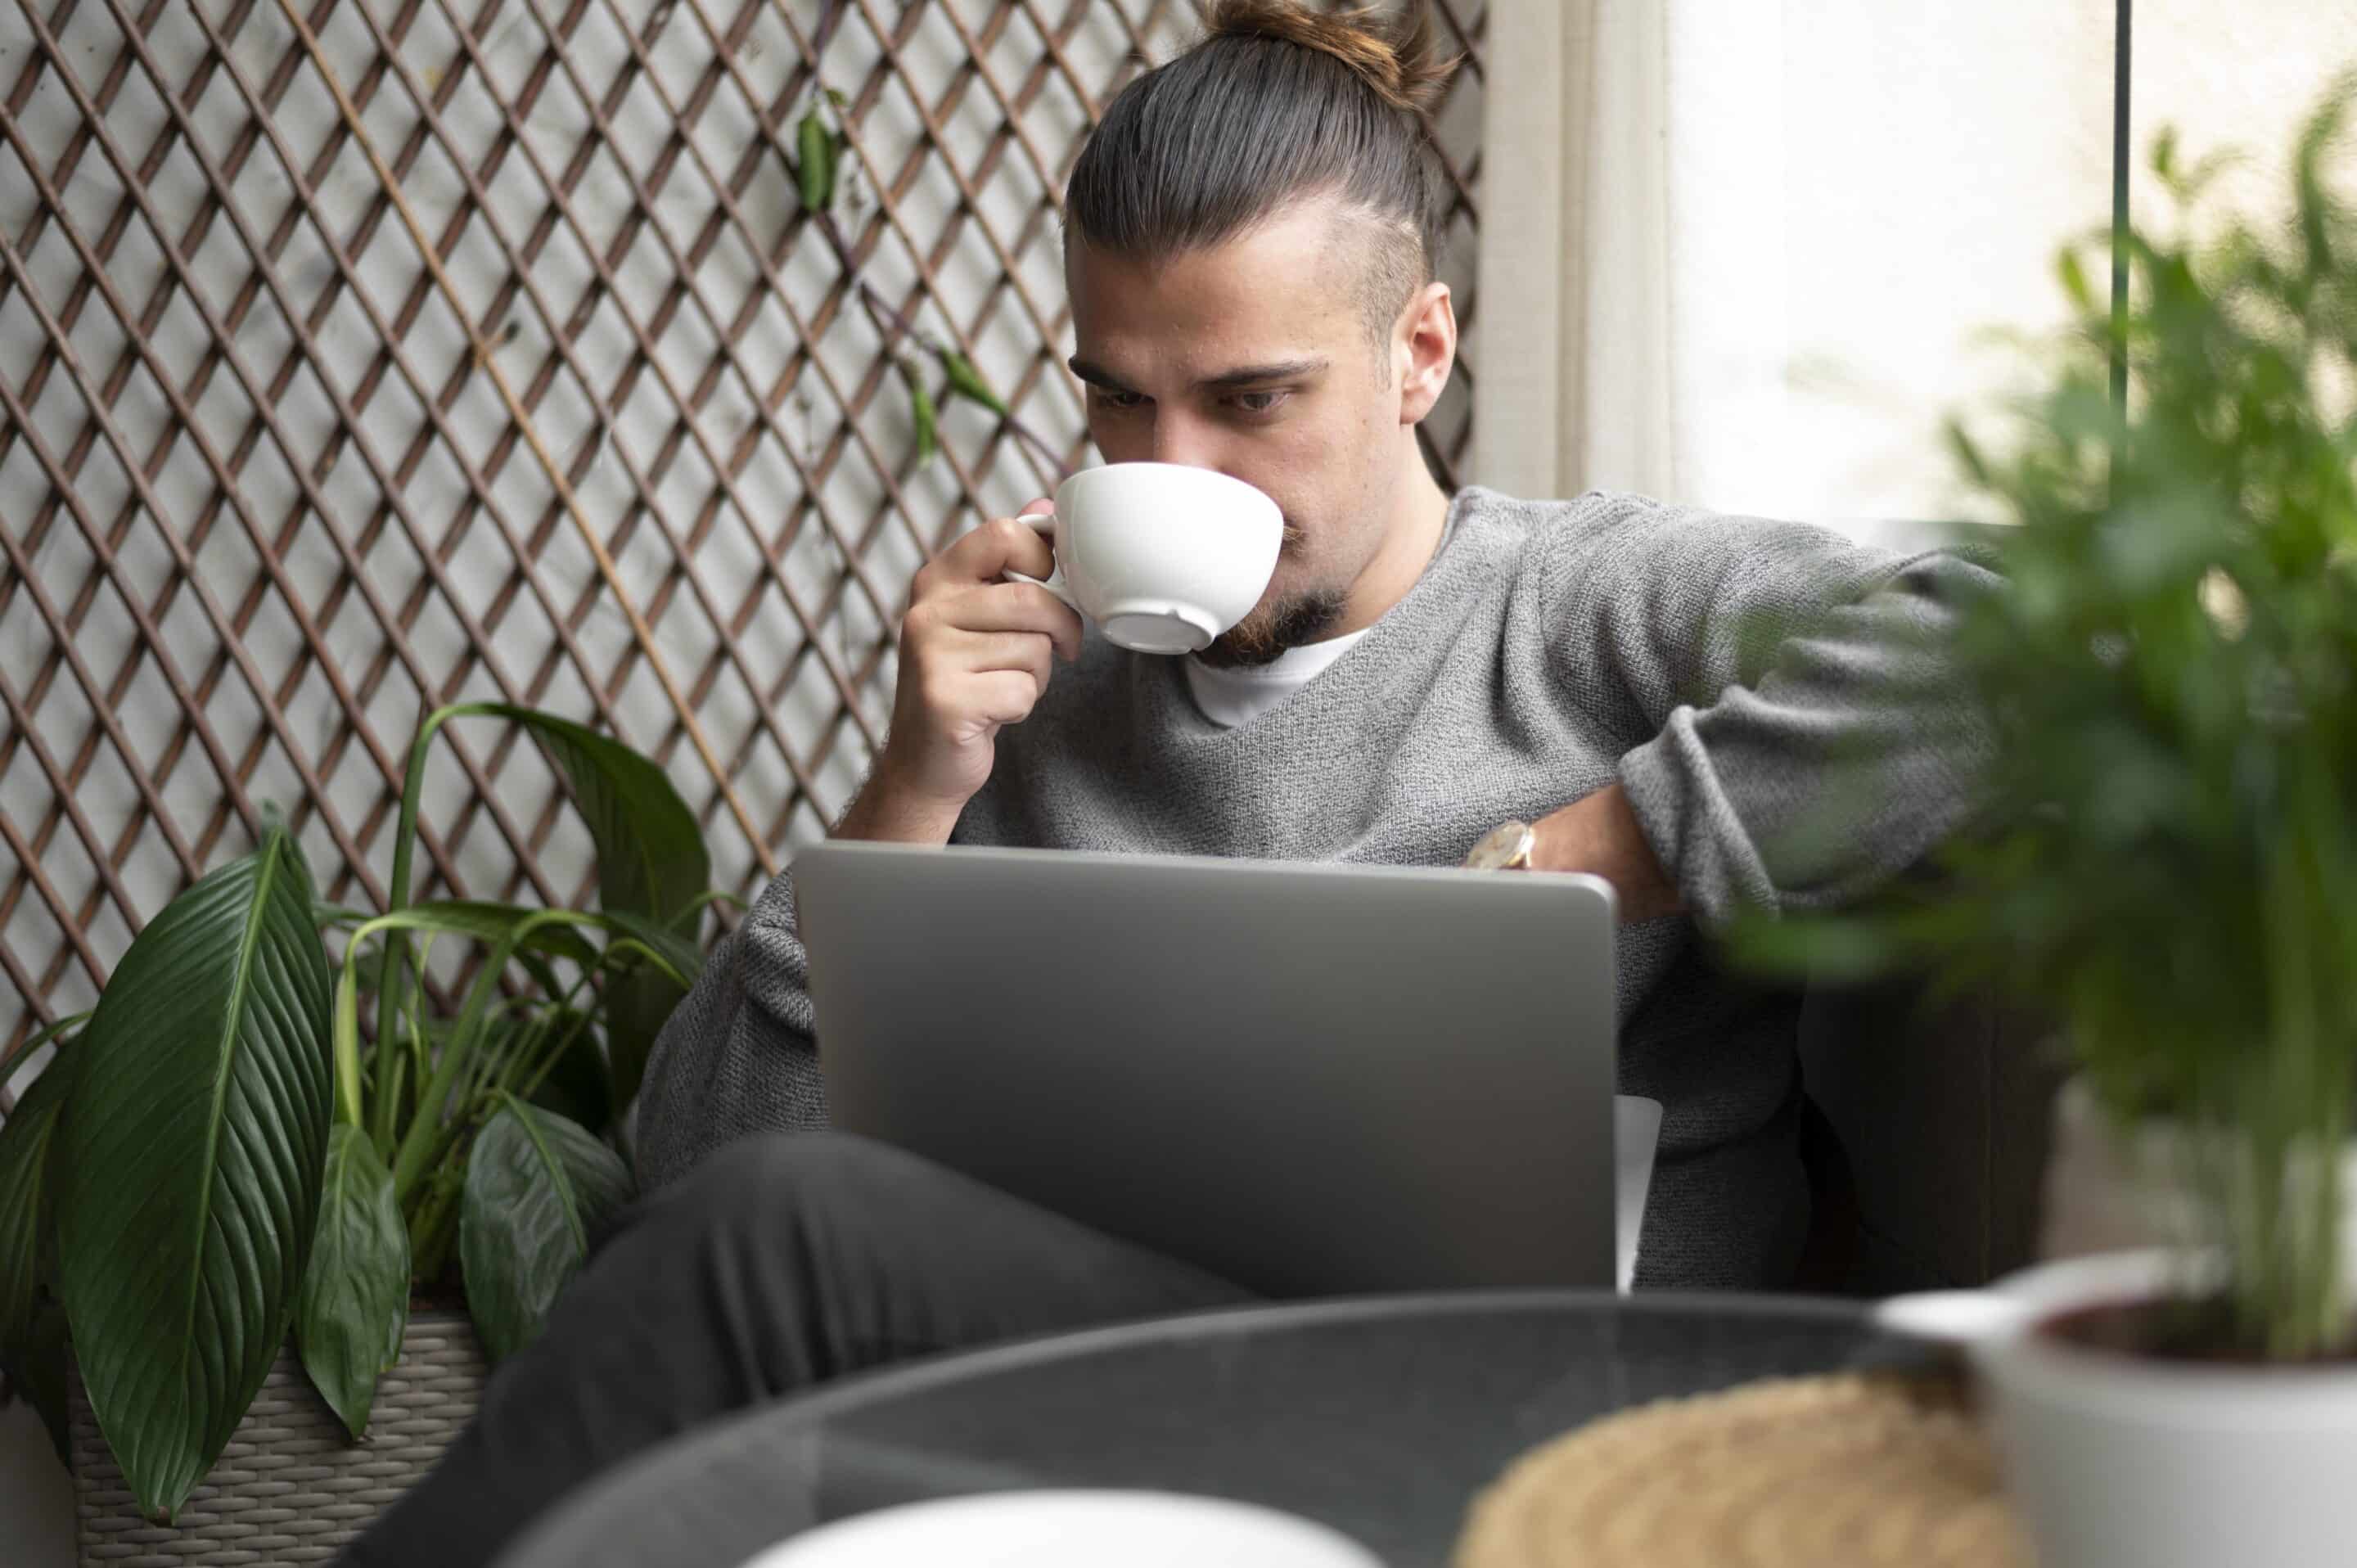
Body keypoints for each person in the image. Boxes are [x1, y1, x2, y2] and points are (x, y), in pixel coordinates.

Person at [344, 2, 1994, 1562]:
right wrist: (909, 796)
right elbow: (694, 1179)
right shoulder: (1043, 692)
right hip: (1148, 1389)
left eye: (1251, 399)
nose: (1170, 465)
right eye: (1118, 399)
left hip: (1562, 1422)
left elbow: (2019, 648)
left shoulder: (1581, 610)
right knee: (763, 1256)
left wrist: (1619, 840)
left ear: (1419, 353)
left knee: (784, 1253)